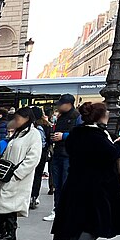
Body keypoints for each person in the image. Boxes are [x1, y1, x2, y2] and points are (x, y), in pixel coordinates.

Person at [51, 101, 120, 240]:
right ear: (100, 116)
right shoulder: (97, 136)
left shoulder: (76, 133)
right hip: (97, 186)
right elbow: (114, 154)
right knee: (98, 221)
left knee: (75, 220)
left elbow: (71, 150)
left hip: (75, 182)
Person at [0, 108, 43, 240]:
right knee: (2, 204)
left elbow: (33, 158)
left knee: (9, 206)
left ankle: (9, 232)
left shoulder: (34, 135)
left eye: (18, 118)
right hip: (7, 176)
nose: (16, 120)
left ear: (27, 118)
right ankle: (3, 231)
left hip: (18, 178)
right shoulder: (19, 133)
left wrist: (17, 174)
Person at [43, 93, 82, 222]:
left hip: (68, 155)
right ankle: (58, 209)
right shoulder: (61, 117)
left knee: (65, 184)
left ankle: (66, 210)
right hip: (58, 153)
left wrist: (64, 136)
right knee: (58, 185)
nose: (58, 106)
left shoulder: (77, 117)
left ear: (69, 104)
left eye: (61, 104)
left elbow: (80, 135)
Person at [30, 106, 53, 210]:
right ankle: (34, 196)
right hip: (43, 153)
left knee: (30, 174)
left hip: (32, 152)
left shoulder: (32, 126)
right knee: (38, 175)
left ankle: (29, 196)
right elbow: (50, 139)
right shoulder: (47, 125)